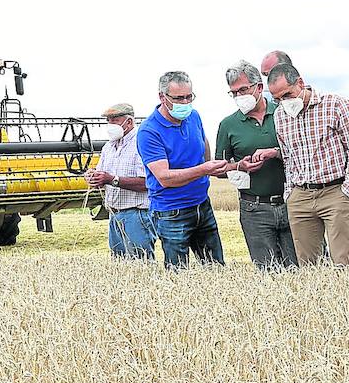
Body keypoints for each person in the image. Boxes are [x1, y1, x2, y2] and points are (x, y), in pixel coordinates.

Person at [268, 63, 349, 267]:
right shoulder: (279, 115)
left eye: (287, 95)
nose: (283, 102)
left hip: (334, 192)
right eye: (277, 99)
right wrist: (290, 192)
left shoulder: (336, 105)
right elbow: (288, 157)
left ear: (301, 83)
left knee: (343, 261)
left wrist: (348, 190)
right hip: (300, 196)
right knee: (307, 265)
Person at [136, 71, 229, 268]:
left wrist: (211, 164)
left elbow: (203, 141)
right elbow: (165, 178)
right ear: (162, 97)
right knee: (178, 274)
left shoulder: (193, 116)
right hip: (171, 211)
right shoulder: (149, 131)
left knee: (216, 268)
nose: (185, 102)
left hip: (202, 204)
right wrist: (204, 169)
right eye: (179, 98)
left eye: (189, 96)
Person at [214, 61, 296, 270]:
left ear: (259, 87)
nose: (239, 96)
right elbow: (219, 168)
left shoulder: (285, 113)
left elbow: (303, 154)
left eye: (243, 89)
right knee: (266, 273)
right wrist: (239, 166)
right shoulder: (228, 125)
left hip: (293, 203)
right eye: (234, 93)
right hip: (254, 209)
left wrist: (276, 154)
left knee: (301, 269)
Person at [85, 103, 156, 259]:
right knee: (120, 264)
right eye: (108, 120)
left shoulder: (142, 143)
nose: (110, 125)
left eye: (114, 120)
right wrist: (94, 178)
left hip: (137, 214)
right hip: (114, 214)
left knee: (140, 262)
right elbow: (102, 175)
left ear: (129, 122)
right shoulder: (108, 147)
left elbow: (148, 182)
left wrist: (112, 180)